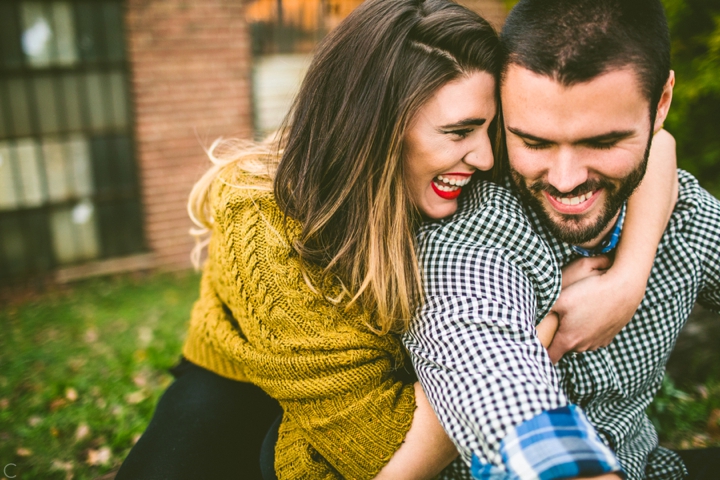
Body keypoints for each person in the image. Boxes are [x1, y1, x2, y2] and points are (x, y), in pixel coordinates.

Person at [117, 0, 677, 478]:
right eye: (458, 133)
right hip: (244, 375)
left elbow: (656, 145)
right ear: (377, 127)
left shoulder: (483, 155)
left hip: (405, 370)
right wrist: (537, 316)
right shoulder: (267, 220)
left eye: (491, 129)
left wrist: (627, 281)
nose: (486, 158)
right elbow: (380, 453)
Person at [404, 0, 720, 479]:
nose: (566, 180)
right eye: (533, 142)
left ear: (661, 104)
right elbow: (495, 378)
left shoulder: (684, 214)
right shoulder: (473, 234)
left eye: (602, 142)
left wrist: (629, 278)